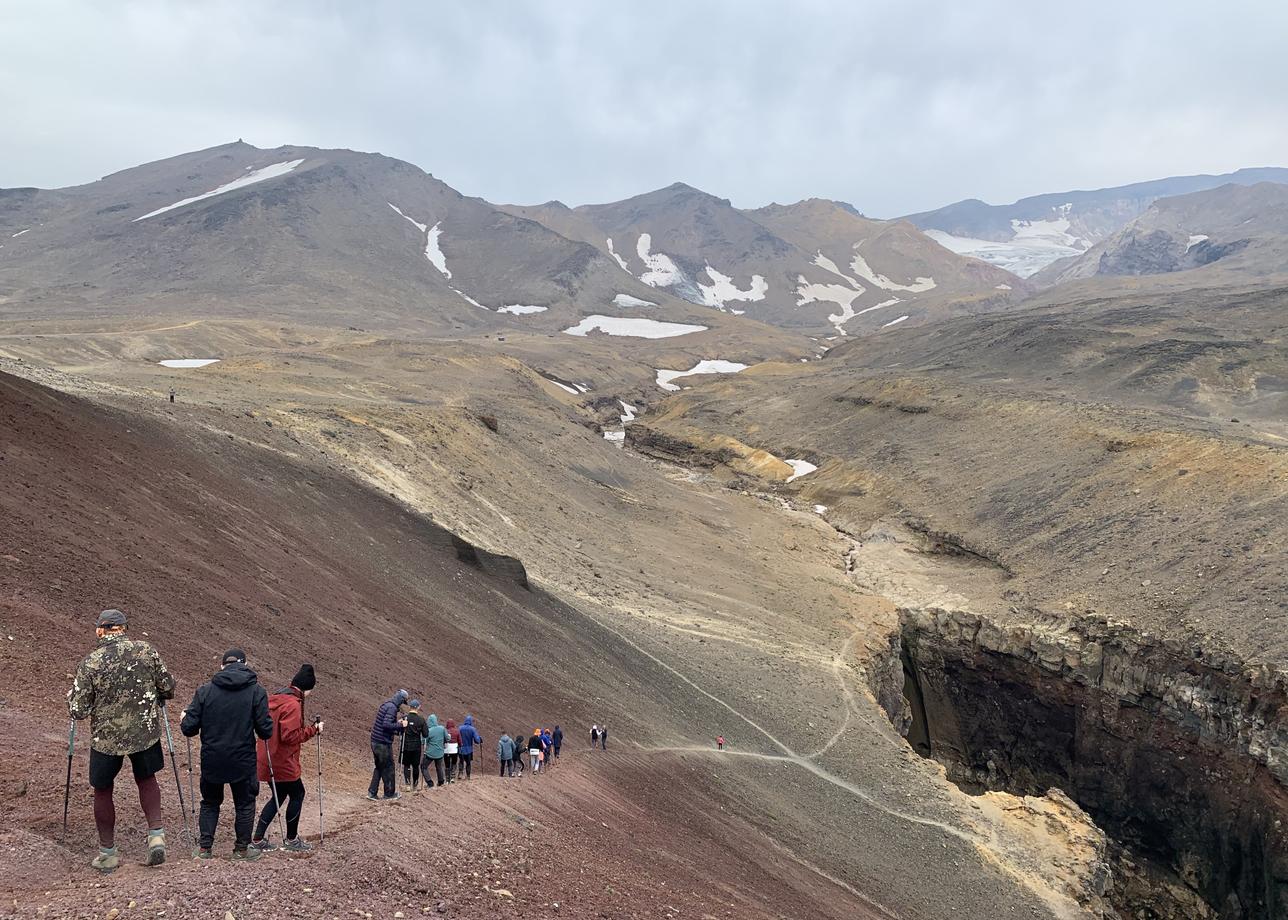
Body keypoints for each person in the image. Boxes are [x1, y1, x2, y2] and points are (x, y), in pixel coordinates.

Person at [67, 609, 176, 874]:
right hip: (145, 732)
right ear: (124, 628)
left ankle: (107, 854)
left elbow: (78, 710)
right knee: (147, 779)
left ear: (100, 630)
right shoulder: (145, 651)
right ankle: (156, 836)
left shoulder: (91, 662)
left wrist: (71, 697)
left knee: (103, 789)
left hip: (106, 739)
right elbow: (168, 688)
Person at [181, 649, 272, 860]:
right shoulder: (256, 692)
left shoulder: (205, 691)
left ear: (222, 666)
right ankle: (241, 849)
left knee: (210, 802)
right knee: (245, 803)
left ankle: (205, 849)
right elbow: (265, 731)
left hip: (212, 758)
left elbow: (189, 728)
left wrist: (184, 717)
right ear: (246, 664)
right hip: (243, 759)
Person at [249, 665, 322, 852]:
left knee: (279, 795)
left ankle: (257, 839)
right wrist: (313, 730)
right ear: (307, 688)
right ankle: (291, 839)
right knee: (298, 794)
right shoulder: (293, 705)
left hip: (268, 757)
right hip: (283, 760)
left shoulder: (276, 698)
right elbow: (290, 736)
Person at [367, 689, 408, 801]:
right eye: (402, 702)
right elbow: (386, 725)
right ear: (400, 699)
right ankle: (389, 794)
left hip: (376, 741)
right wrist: (401, 725)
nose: (402, 705)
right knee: (389, 767)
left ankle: (372, 792)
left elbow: (385, 726)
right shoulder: (392, 708)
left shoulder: (386, 705)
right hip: (382, 744)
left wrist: (397, 725)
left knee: (379, 767)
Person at [402, 700, 427, 792]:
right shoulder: (421, 719)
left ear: (410, 707)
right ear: (418, 707)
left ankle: (407, 784)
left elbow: (400, 730)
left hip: (406, 745)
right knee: (415, 766)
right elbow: (425, 734)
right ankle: (415, 785)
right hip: (416, 746)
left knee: (407, 765)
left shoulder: (405, 718)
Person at [421, 713, 446, 788]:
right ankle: (441, 782)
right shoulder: (442, 728)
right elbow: (447, 738)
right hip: (440, 752)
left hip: (430, 753)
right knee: (439, 767)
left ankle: (430, 783)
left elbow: (423, 741)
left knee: (423, 766)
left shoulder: (429, 731)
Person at [458, 715, 482, 781]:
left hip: (461, 749)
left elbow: (457, 737)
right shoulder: (472, 729)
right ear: (470, 721)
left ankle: (460, 773)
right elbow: (477, 740)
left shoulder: (460, 728)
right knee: (468, 763)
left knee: (461, 761)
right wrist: (480, 739)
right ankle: (468, 776)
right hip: (469, 750)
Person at [443, 718, 460, 783]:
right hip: (454, 750)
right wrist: (460, 745)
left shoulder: (445, 731)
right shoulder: (457, 731)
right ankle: (453, 777)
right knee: (454, 763)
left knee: (447, 764)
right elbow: (459, 740)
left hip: (446, 749)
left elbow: (443, 739)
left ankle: (447, 779)